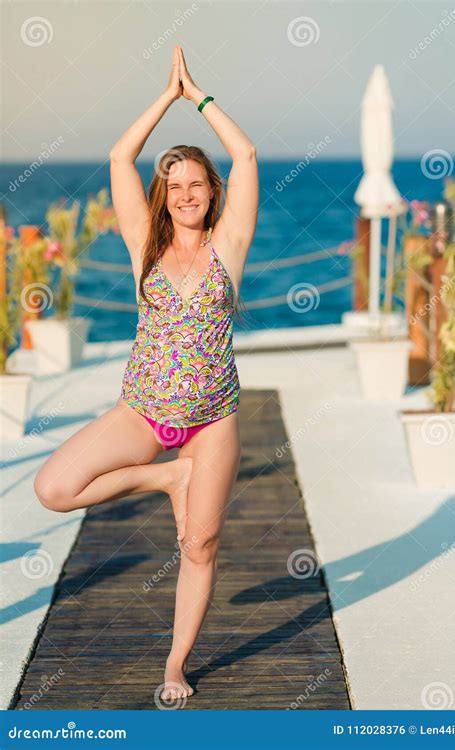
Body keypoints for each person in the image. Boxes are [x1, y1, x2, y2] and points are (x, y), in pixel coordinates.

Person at [33, 44, 259, 702]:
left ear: (212, 192)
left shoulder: (231, 245)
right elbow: (117, 158)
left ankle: (174, 664)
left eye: (198, 183)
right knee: (54, 488)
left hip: (211, 421)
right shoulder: (145, 244)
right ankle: (166, 477)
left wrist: (202, 98)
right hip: (141, 411)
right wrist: (166, 97)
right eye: (176, 184)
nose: (186, 194)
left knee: (200, 541)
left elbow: (244, 156)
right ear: (165, 193)